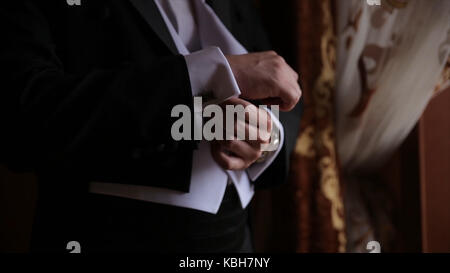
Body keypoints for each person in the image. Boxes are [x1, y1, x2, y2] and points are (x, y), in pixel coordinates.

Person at [0, 0, 302, 252]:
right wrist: (211, 76)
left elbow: (273, 71)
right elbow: (22, 120)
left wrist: (268, 137)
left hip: (238, 240)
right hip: (109, 236)